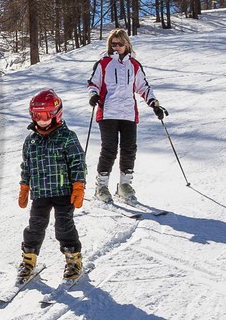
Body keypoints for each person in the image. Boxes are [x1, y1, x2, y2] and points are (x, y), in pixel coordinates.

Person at [86, 27, 166, 204]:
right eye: (113, 44)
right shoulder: (104, 63)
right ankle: (101, 187)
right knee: (110, 149)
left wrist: (154, 103)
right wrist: (93, 95)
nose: (116, 47)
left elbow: (143, 87)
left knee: (129, 149)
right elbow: (93, 83)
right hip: (107, 112)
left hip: (129, 113)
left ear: (126, 44)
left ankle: (124, 186)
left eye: (120, 44)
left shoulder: (134, 65)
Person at [17, 89, 86, 284]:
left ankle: (73, 260)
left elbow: (78, 162)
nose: (42, 120)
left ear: (56, 114)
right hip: (40, 193)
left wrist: (79, 186)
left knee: (63, 227)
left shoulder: (67, 137)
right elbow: (27, 166)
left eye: (46, 115)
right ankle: (28, 260)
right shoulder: (30, 141)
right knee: (35, 227)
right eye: (37, 116)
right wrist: (24, 186)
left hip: (64, 192)